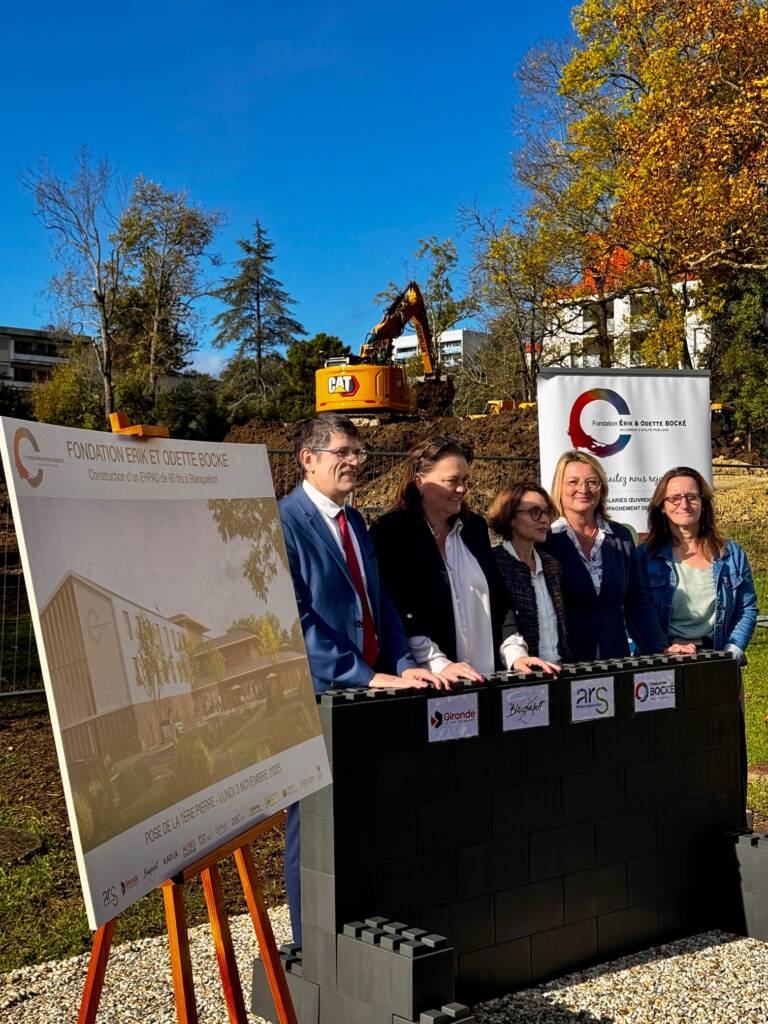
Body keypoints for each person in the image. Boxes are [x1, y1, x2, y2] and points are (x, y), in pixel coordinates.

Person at [278, 414, 443, 944]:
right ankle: (311, 944)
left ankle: (357, 931)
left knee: (366, 819)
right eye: (343, 452)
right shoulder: (283, 522)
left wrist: (402, 663)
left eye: (359, 452)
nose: (356, 461)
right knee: (315, 826)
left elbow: (380, 603)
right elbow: (294, 620)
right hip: (321, 697)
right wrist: (363, 675)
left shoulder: (355, 522)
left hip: (371, 693)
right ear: (309, 458)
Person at [370, 436, 558, 679]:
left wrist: (515, 653)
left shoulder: (473, 529)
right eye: (452, 481)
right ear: (420, 482)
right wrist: (439, 664)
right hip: (428, 682)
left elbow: (498, 602)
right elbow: (397, 610)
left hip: (483, 678)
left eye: (464, 480)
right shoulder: (392, 532)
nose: (462, 489)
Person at [541, 449, 690, 661]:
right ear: (559, 487)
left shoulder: (620, 537)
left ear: (602, 488)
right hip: (564, 663)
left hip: (614, 659)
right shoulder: (546, 540)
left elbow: (637, 600)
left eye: (592, 482)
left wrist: (661, 647)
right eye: (573, 482)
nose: (583, 489)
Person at [638, 466, 757, 662]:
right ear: (662, 506)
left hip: (718, 656)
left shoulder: (731, 554)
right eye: (674, 498)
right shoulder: (644, 557)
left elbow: (747, 608)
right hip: (662, 657)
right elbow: (636, 612)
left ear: (703, 503)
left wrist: (732, 650)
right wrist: (662, 649)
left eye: (692, 496)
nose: (684, 504)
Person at [487, 481, 570, 666]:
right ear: (510, 518)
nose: (544, 519)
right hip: (517, 676)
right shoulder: (494, 564)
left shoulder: (551, 565)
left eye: (546, 511)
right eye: (534, 512)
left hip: (558, 671)